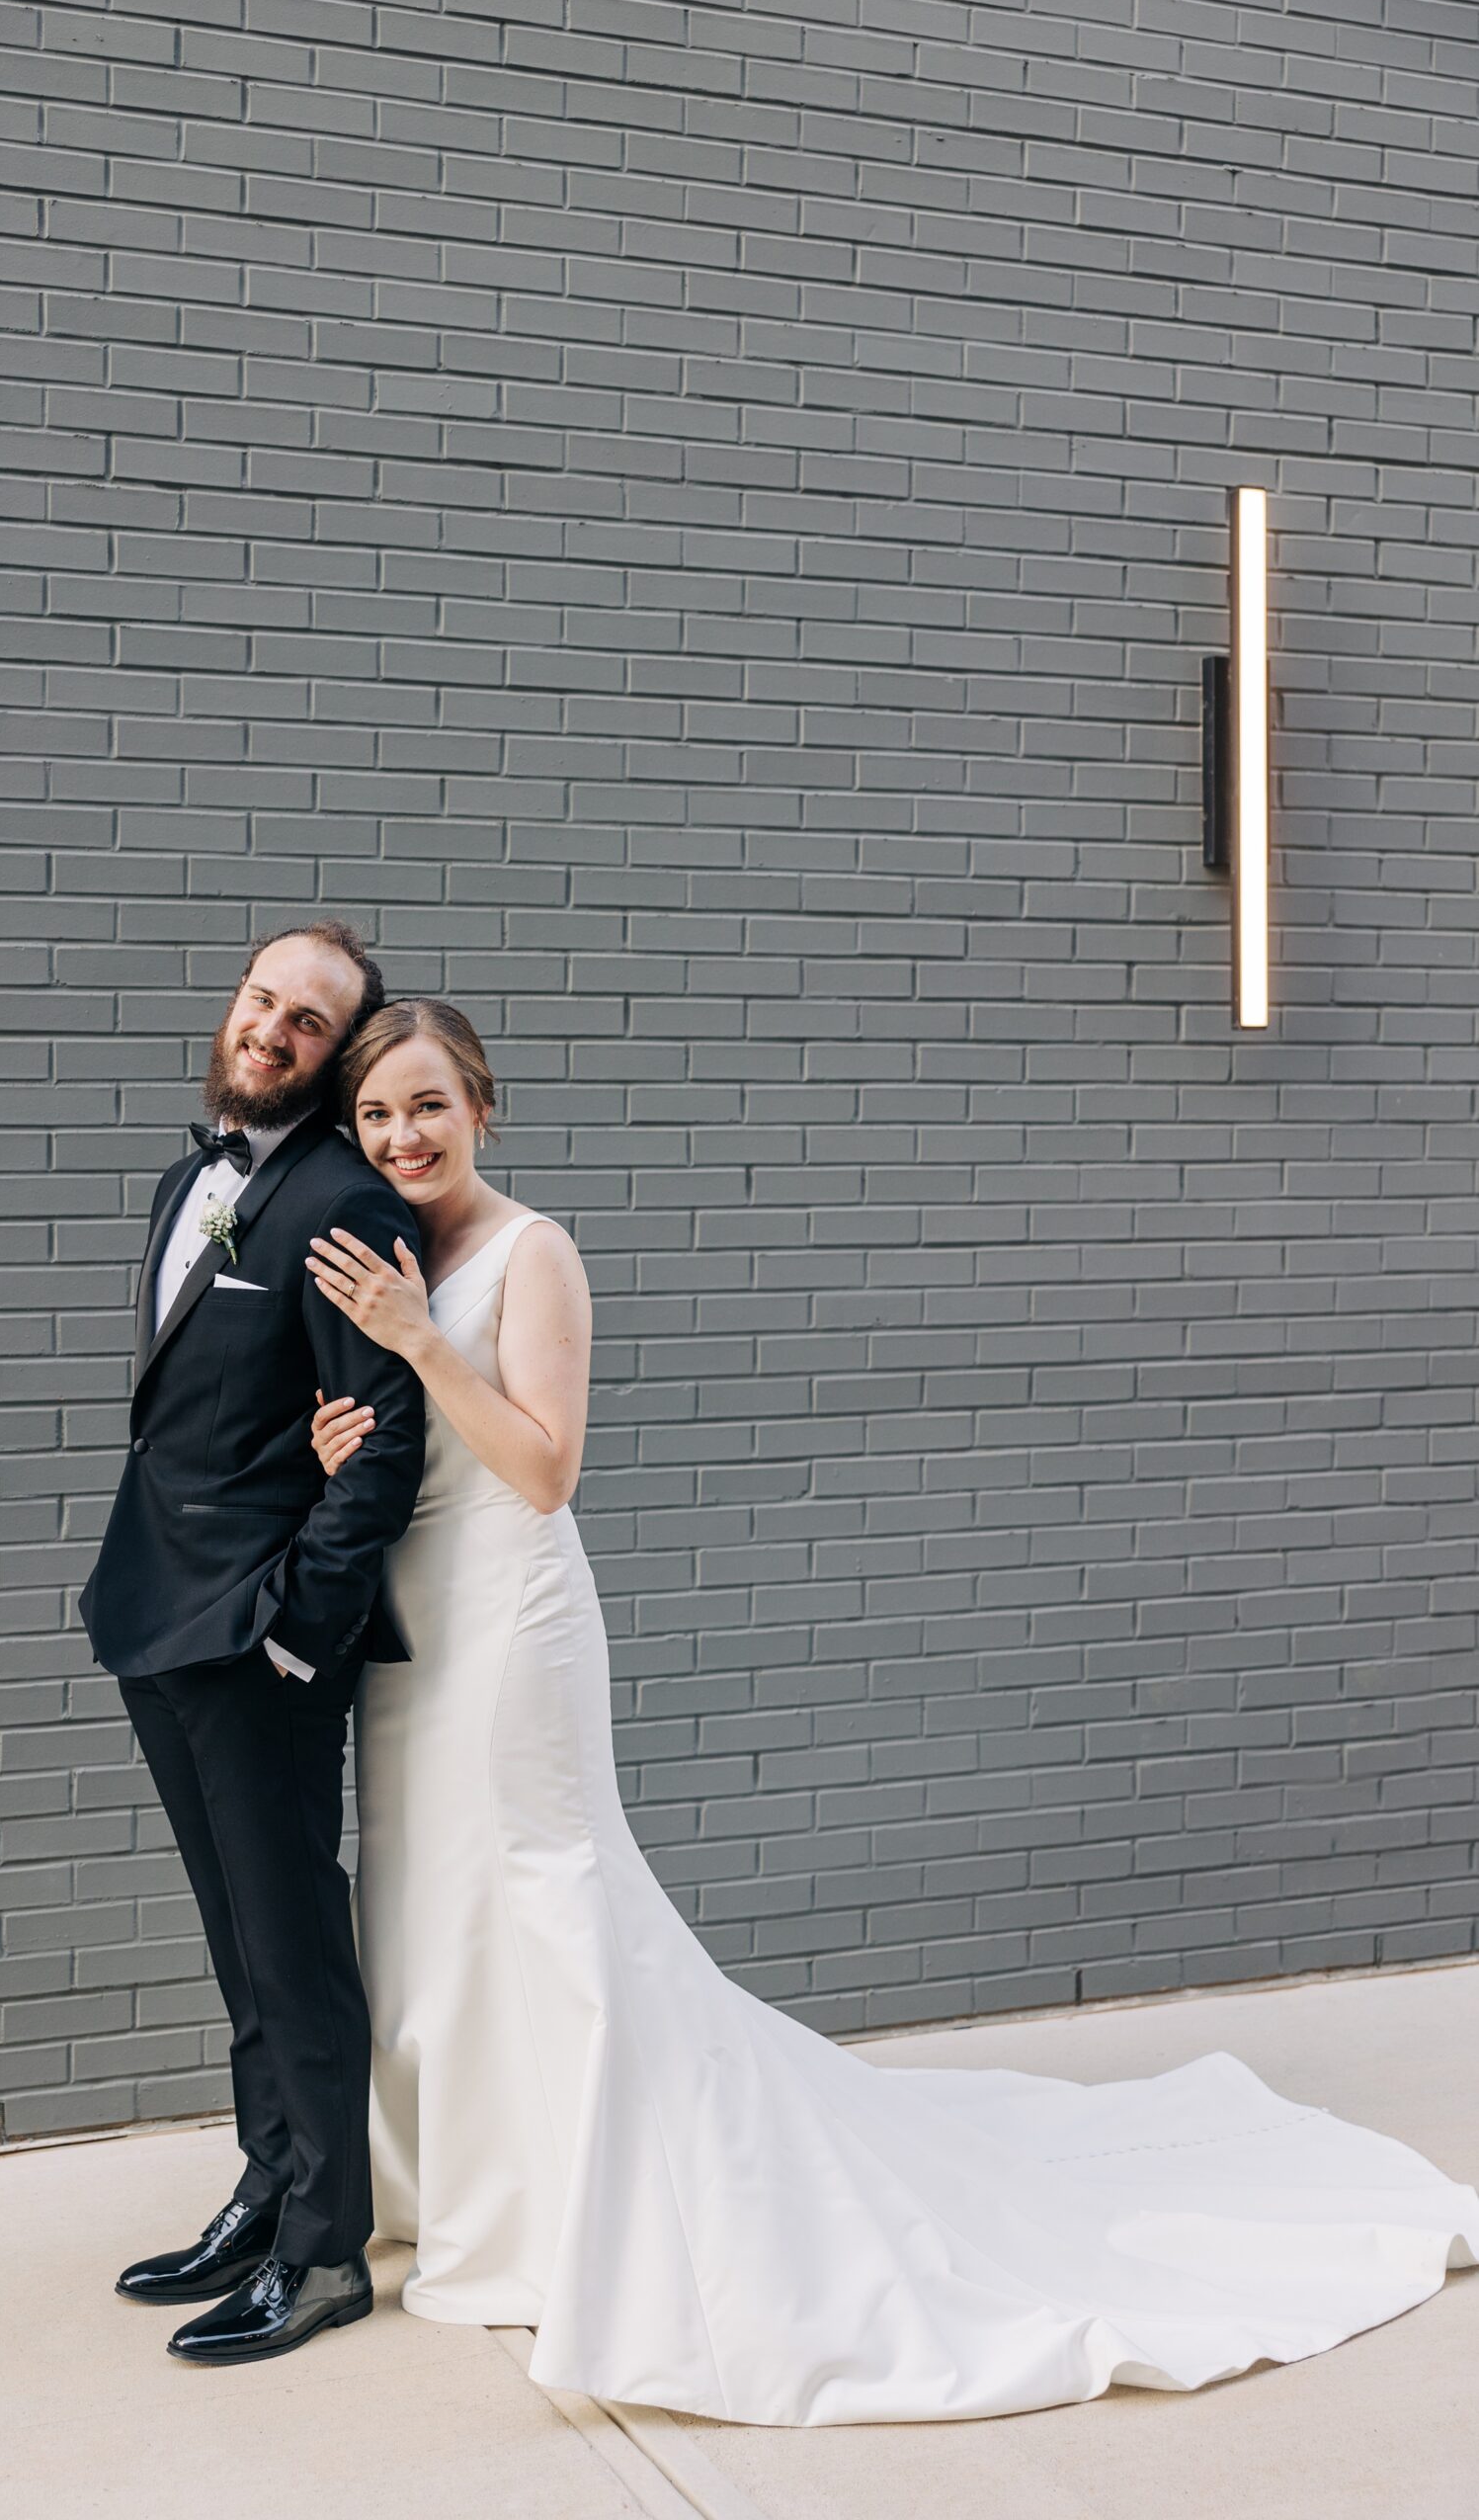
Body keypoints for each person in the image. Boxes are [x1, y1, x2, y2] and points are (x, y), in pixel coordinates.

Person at [303, 994, 1479, 2425]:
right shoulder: (395, 1264)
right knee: (438, 1911)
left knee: (542, 1896)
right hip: (417, 1618)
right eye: (375, 1114)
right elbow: (427, 1444)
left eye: (427, 1103)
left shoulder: (529, 1253)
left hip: (511, 1622)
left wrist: (425, 1349)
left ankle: (579, 2207)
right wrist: (348, 1438)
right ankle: (477, 2185)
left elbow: (547, 1470)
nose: (401, 1135)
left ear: (481, 1103)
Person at [79, 922, 427, 2368]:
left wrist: (300, 1640)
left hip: (259, 1643)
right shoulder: (191, 1182)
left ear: (335, 1053)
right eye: (261, 1002)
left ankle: (327, 2250)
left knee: (294, 1953)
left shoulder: (348, 1205)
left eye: (308, 1022)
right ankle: (267, 2183)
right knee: (237, 1948)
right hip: (157, 1613)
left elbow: (385, 1443)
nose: (273, 1030)